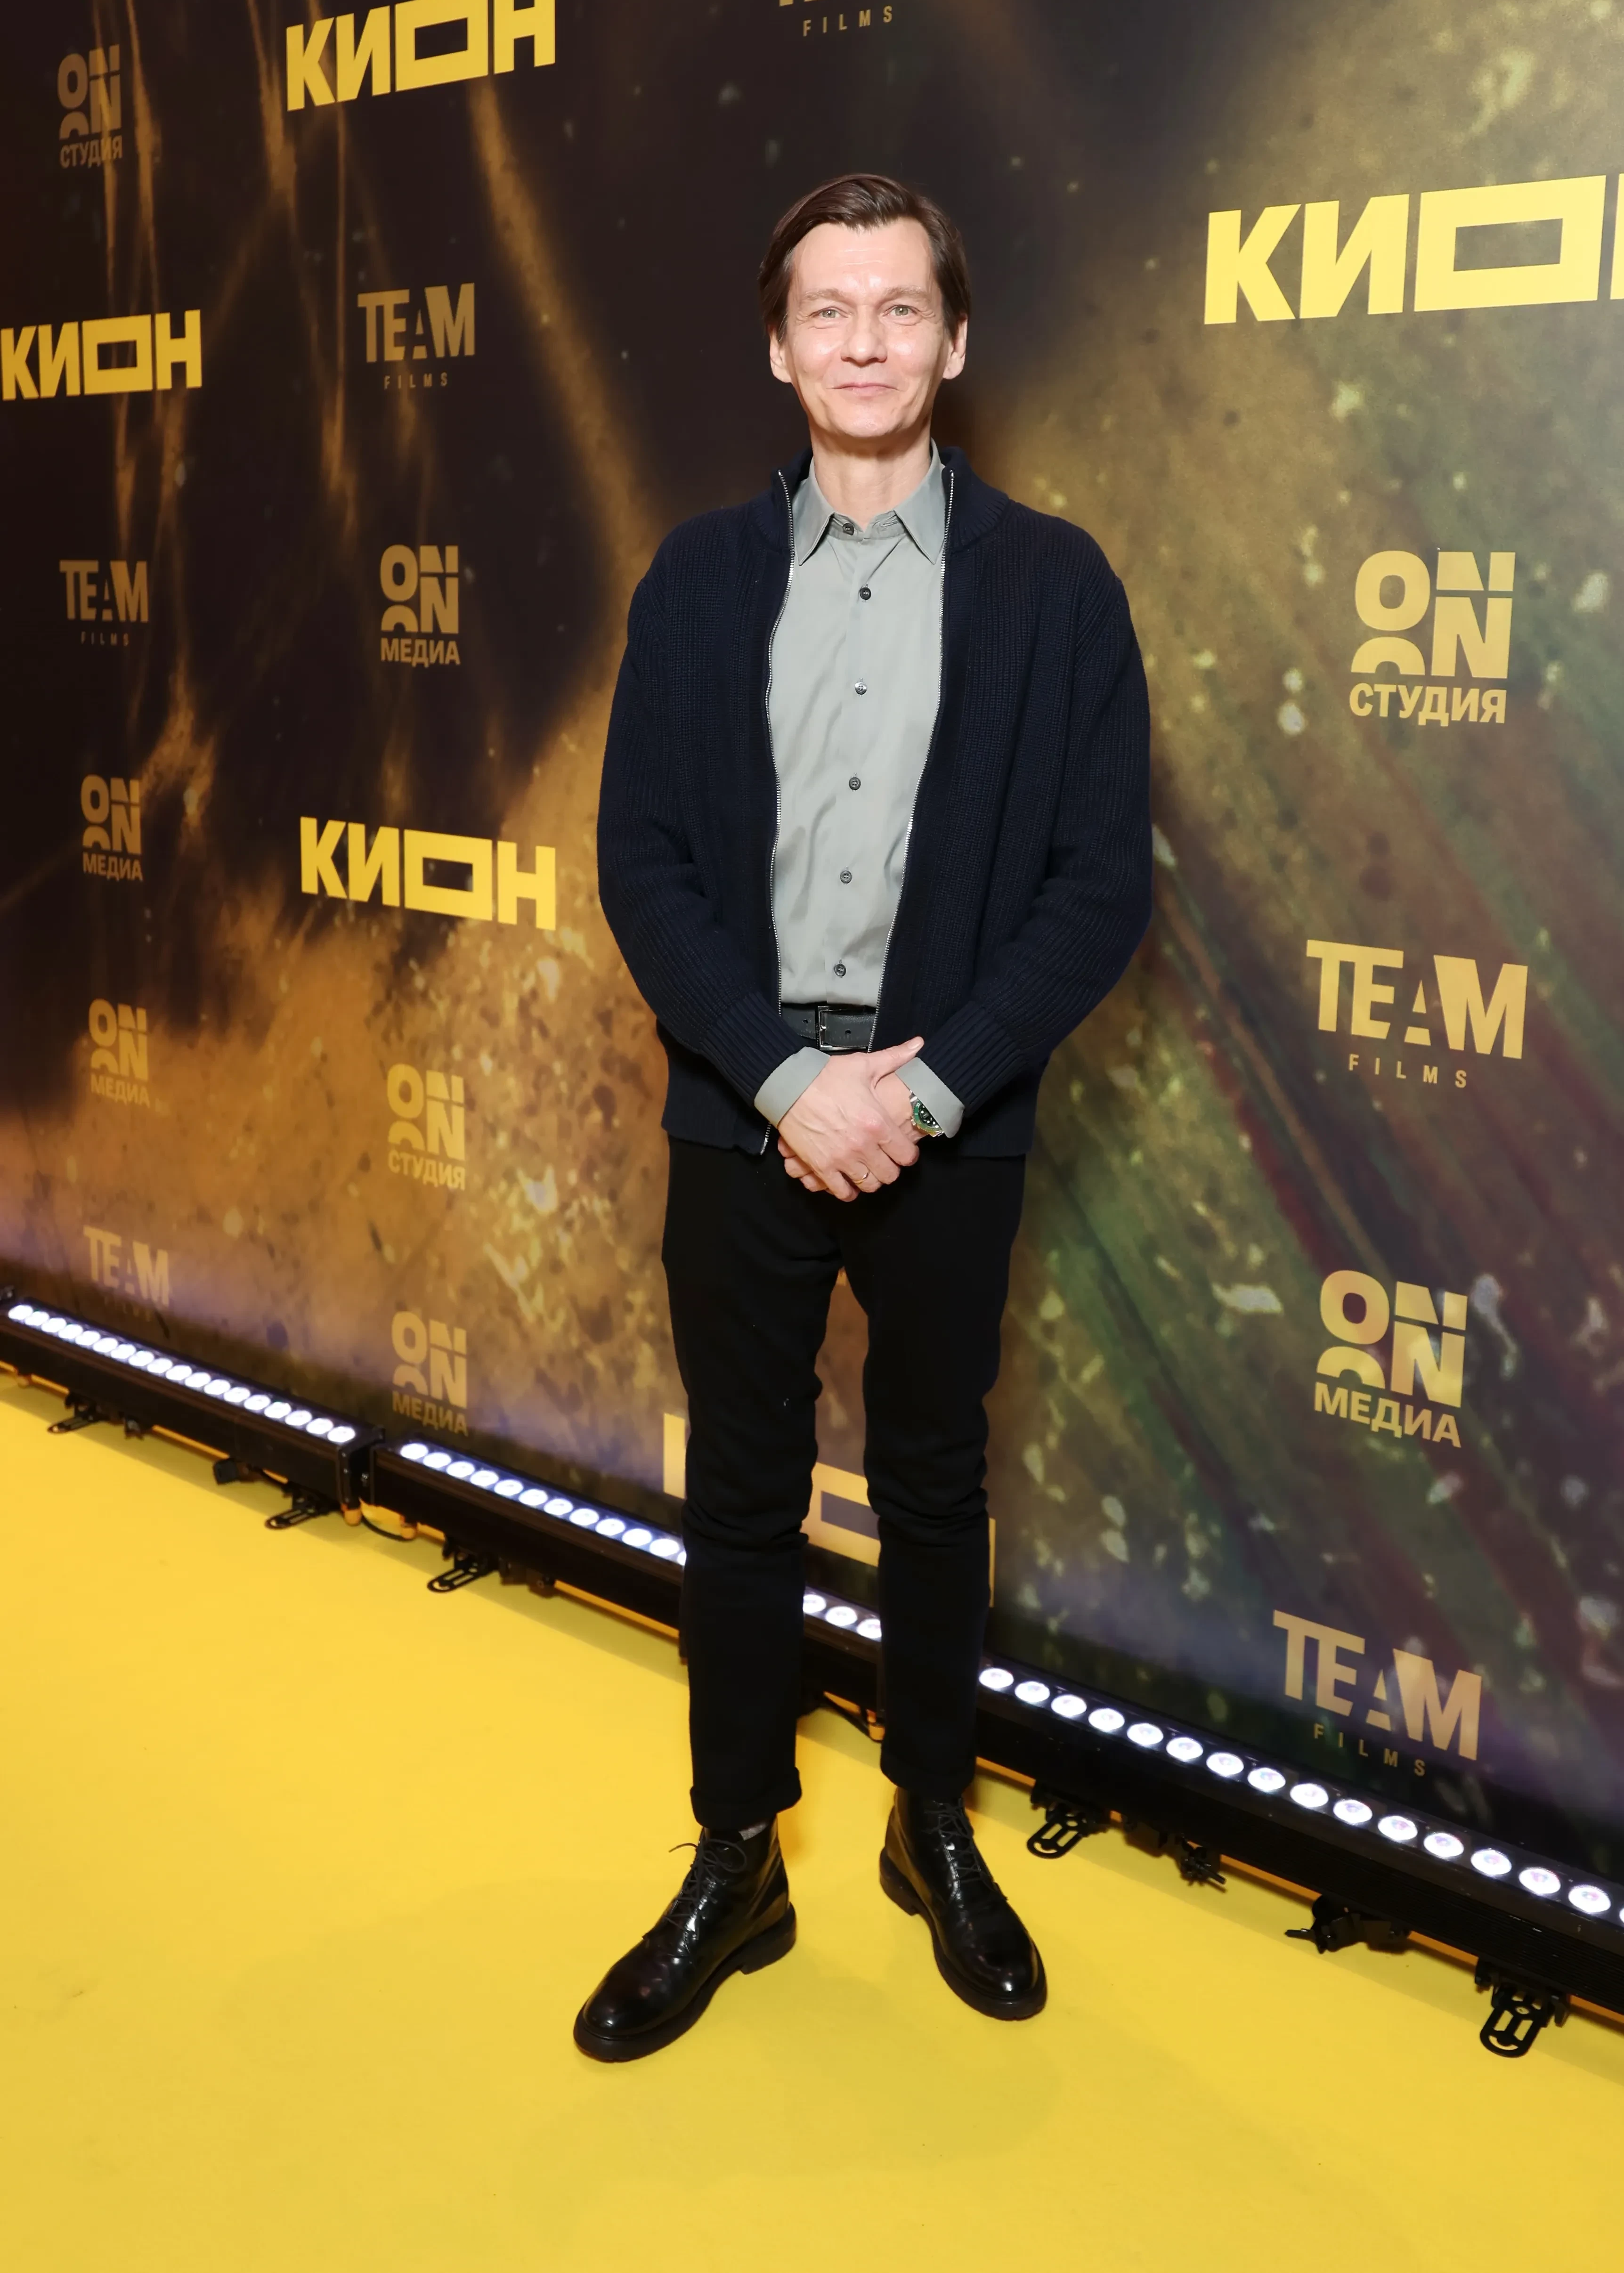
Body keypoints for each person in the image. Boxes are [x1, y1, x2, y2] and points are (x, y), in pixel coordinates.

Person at [581, 172, 1151, 2061]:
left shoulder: (1057, 588)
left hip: (943, 1119)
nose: (864, 341)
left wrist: (915, 1087)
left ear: (954, 339)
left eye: (899, 307)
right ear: (777, 347)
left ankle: (932, 1822)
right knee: (740, 1493)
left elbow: (1096, 889)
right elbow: (644, 864)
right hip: (743, 1105)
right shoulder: (694, 581)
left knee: (931, 1482)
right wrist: (780, 1078)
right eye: (827, 310)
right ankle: (736, 1854)